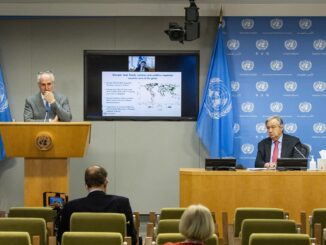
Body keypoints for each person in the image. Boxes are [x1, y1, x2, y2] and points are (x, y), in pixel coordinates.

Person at [57, 165, 137, 245]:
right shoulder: (122, 203)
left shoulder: (70, 207)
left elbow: (62, 238)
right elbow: (132, 238)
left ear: (86, 185)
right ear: (105, 183)